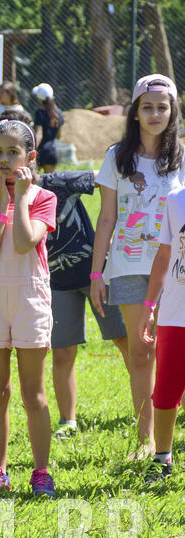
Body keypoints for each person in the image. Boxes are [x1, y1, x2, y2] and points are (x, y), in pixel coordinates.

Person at [90, 74, 185, 459]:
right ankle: (146, 440)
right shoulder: (116, 157)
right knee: (141, 352)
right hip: (128, 267)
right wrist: (97, 273)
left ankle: (169, 435)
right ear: (135, 113)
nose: (155, 113)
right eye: (147, 106)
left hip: (175, 274)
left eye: (162, 107)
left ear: (173, 112)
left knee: (173, 351)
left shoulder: (181, 156)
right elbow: (107, 219)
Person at [0, 119, 57, 497]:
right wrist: (2, 204)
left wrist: (20, 198)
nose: (4, 160)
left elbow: (24, 244)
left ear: (30, 157)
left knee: (33, 394)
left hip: (29, 298)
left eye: (13, 152)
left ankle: (40, 472)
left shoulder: (43, 198)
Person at [36, 167, 128, 438]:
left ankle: (150, 407)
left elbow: (108, 179)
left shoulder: (58, 182)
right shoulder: (10, 198)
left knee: (127, 342)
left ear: (32, 158)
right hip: (56, 283)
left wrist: (117, 230)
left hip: (96, 274)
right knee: (63, 352)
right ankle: (68, 421)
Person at [138, 185, 185, 481]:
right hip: (175, 313)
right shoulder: (176, 199)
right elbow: (164, 255)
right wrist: (149, 304)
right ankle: (162, 457)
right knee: (166, 390)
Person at [32, 83, 64, 173]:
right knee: (51, 184)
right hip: (52, 151)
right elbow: (58, 136)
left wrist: (32, 148)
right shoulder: (59, 113)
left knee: (32, 182)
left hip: (40, 151)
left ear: (39, 98)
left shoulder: (40, 112)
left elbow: (39, 134)